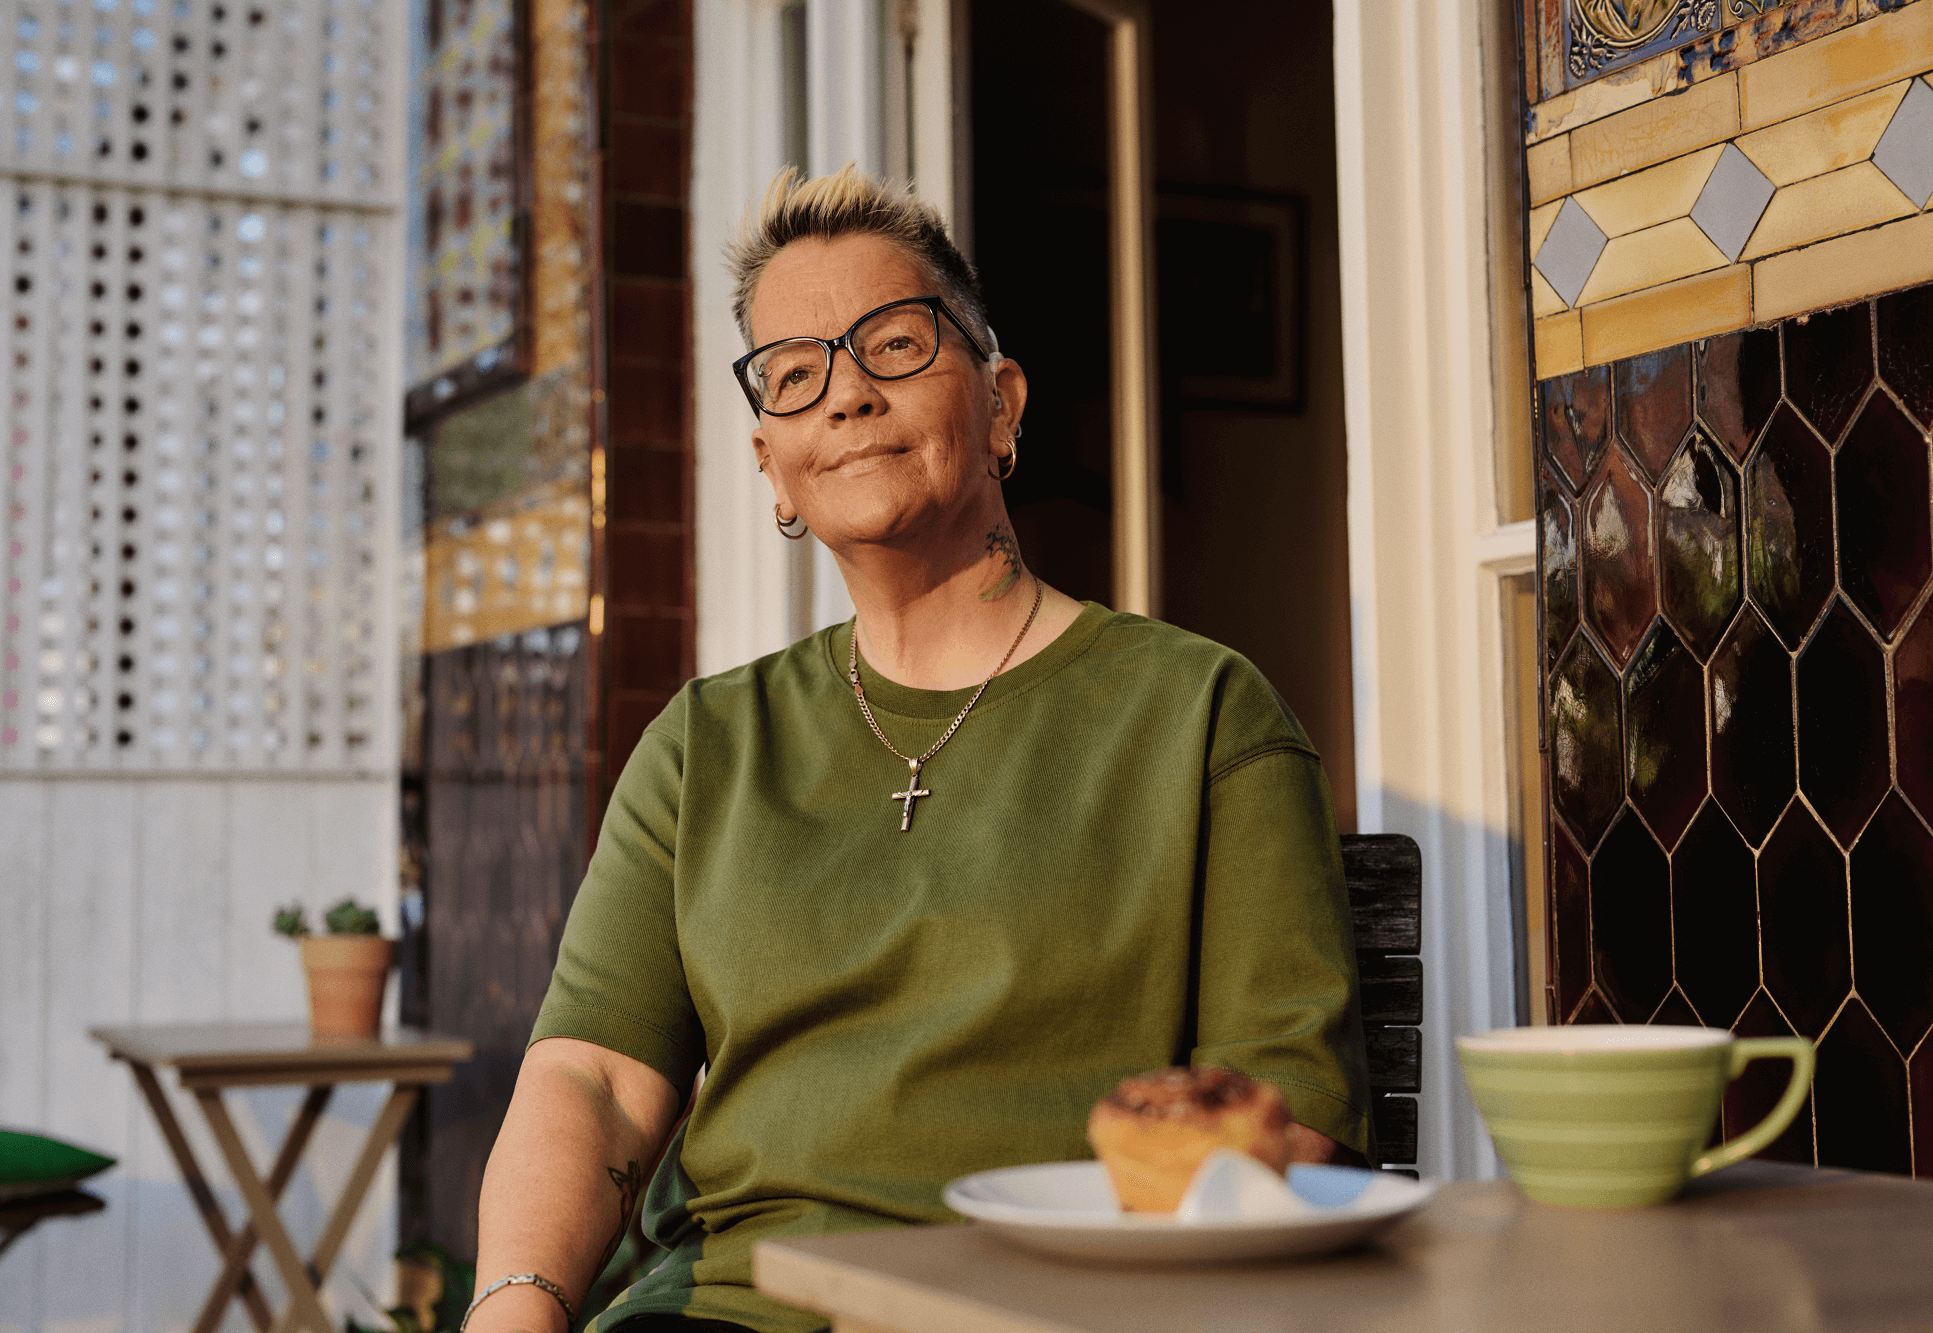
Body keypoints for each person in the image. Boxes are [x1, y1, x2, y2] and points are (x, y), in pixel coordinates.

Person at [465, 164, 1369, 1333]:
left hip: (1042, 1306)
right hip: (724, 1309)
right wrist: (515, 1309)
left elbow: (1279, 1119)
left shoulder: (1199, 713)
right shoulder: (705, 745)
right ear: (771, 468)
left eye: (893, 343)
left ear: (1000, 404)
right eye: (795, 374)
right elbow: (588, 1077)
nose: (844, 396)